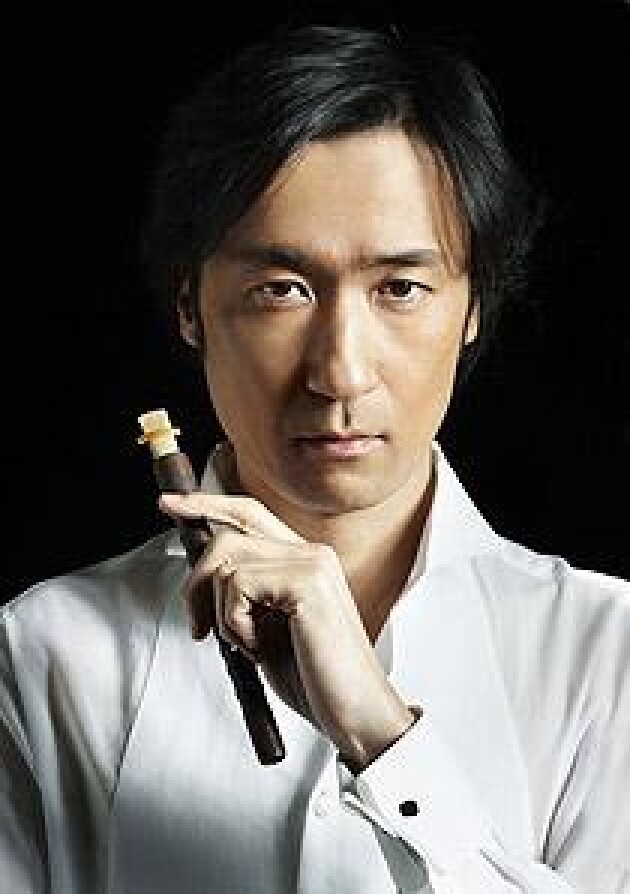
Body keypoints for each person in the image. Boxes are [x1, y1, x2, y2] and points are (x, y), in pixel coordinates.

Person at [1, 23, 628, 894]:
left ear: (473, 305)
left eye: (400, 288)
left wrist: (383, 738)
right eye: (281, 290)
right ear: (189, 304)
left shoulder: (605, 651)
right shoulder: (46, 653)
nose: (339, 371)